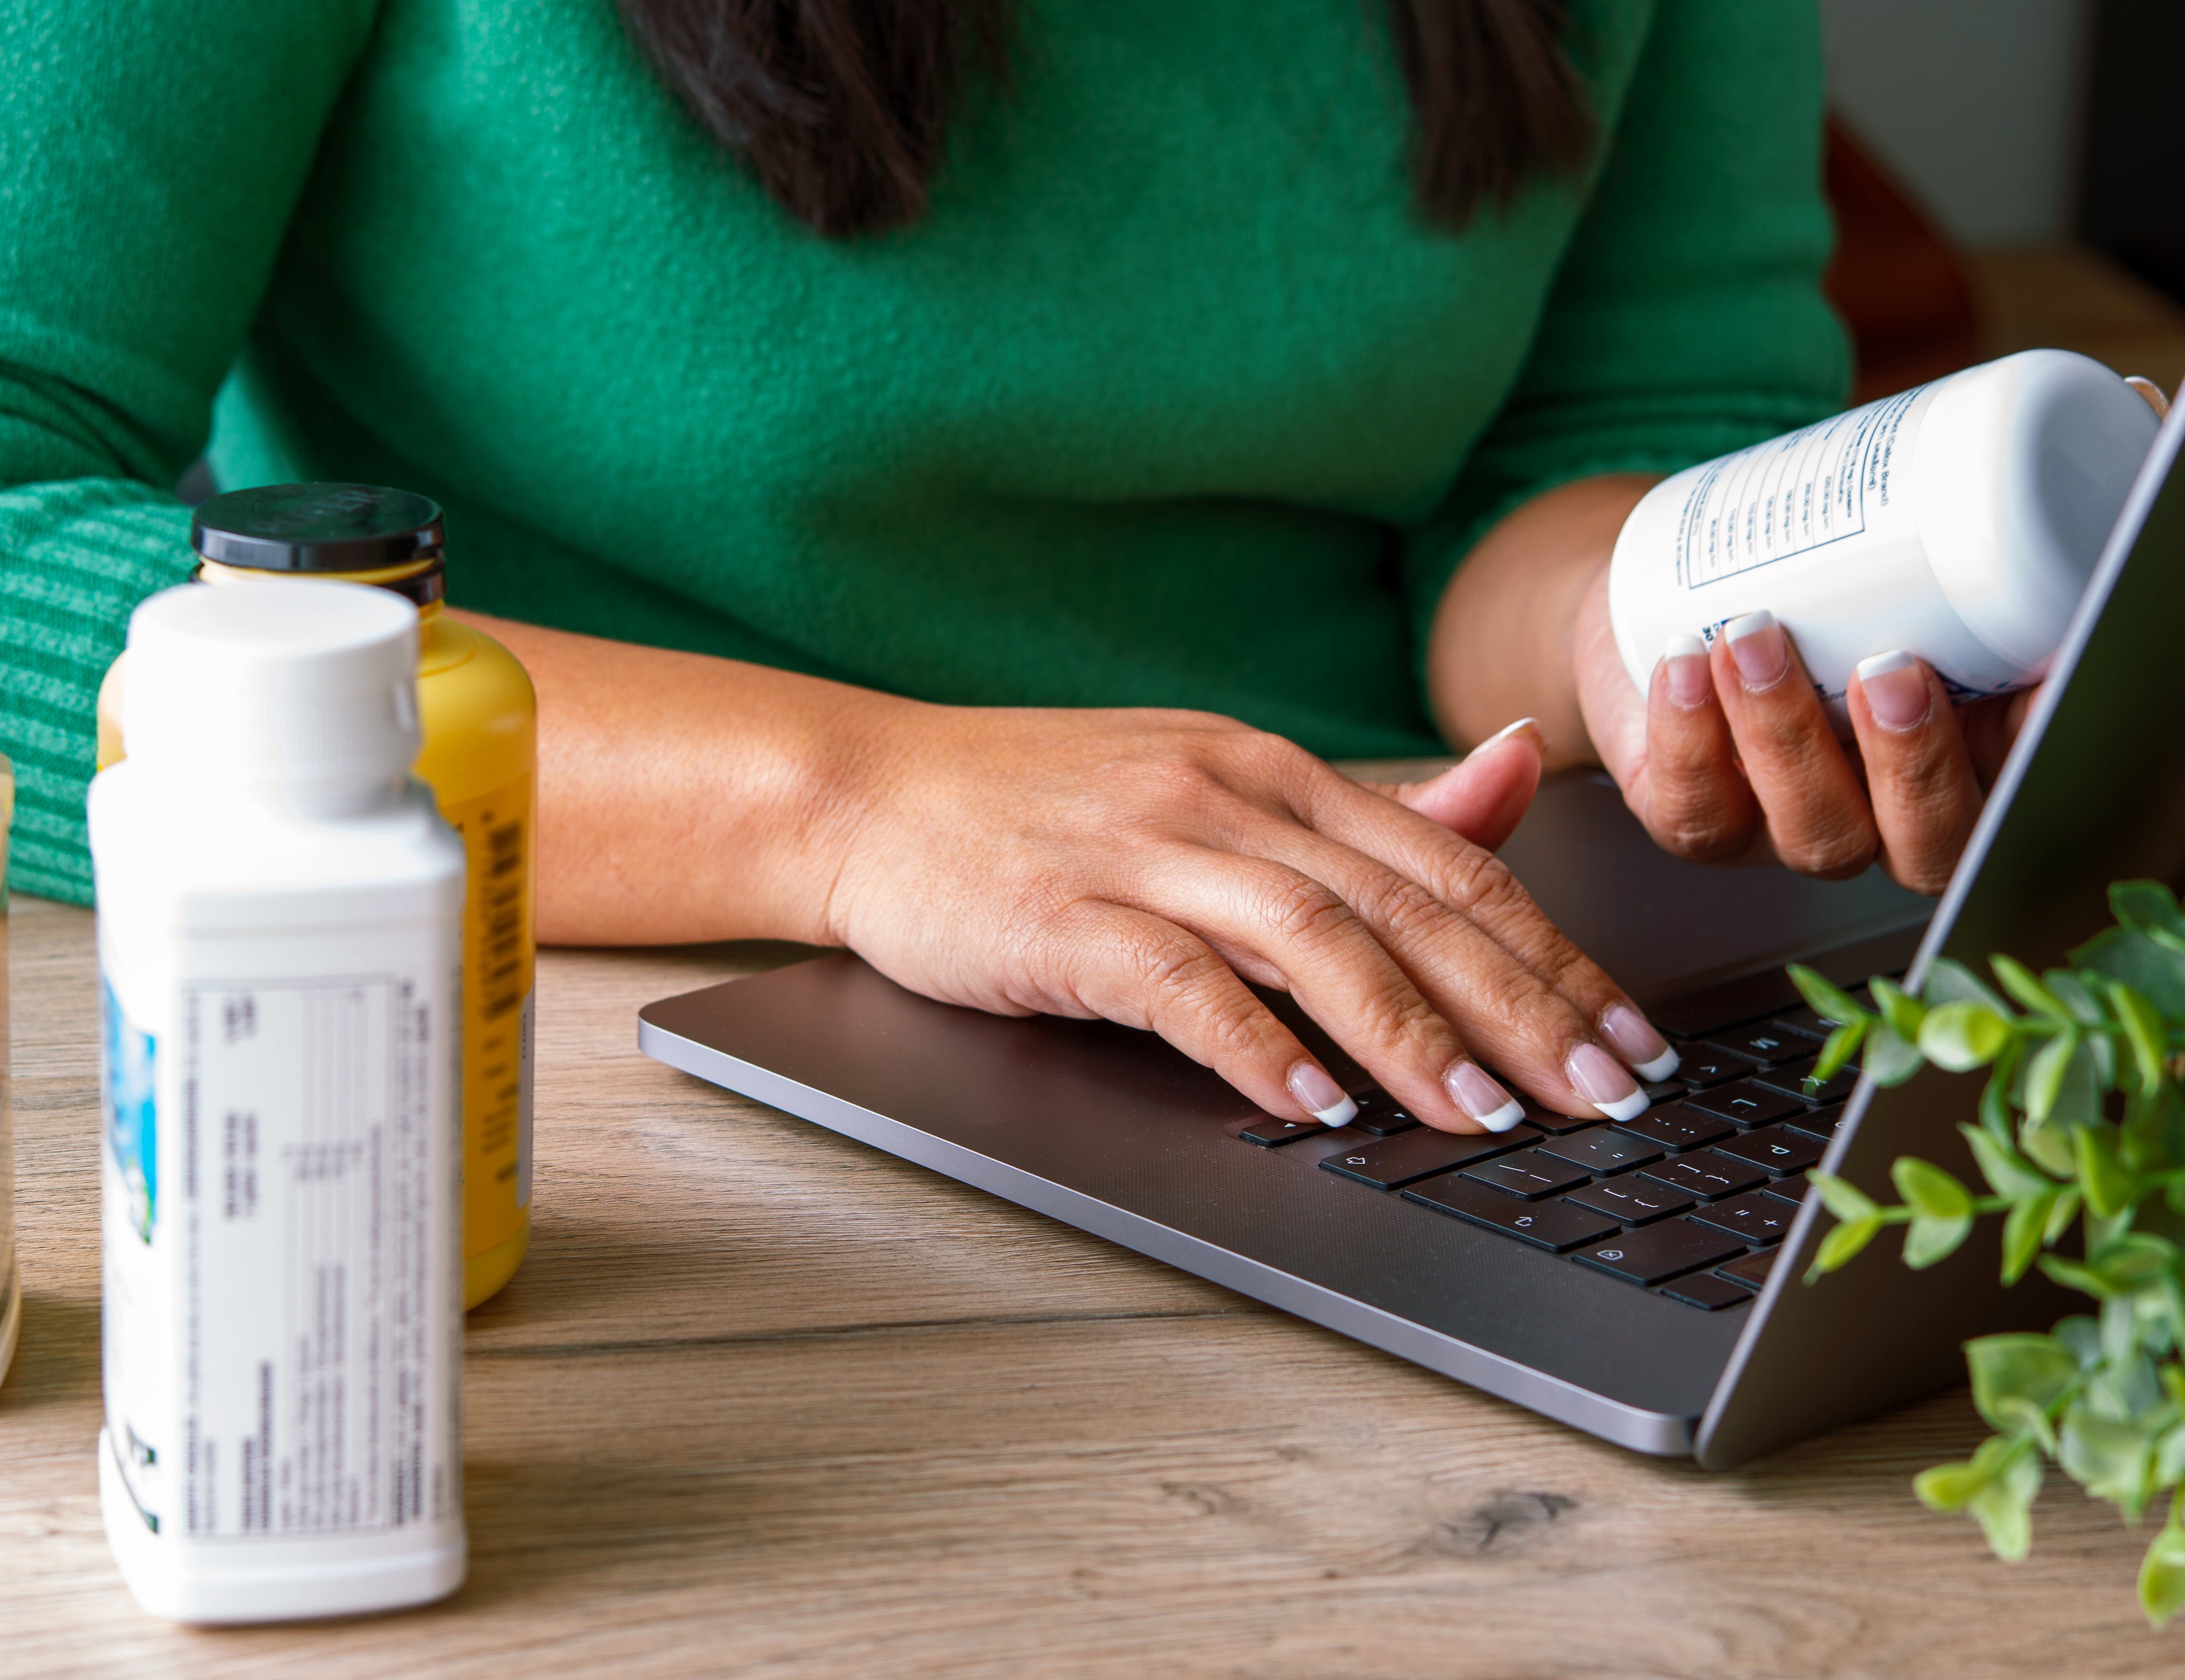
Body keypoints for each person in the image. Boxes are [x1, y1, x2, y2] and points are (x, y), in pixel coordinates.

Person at [0, 0, 2020, 1140]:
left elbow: (1591, 438)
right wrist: (859, 805)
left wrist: (1654, 632)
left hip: (1397, 986)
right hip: (559, 1050)